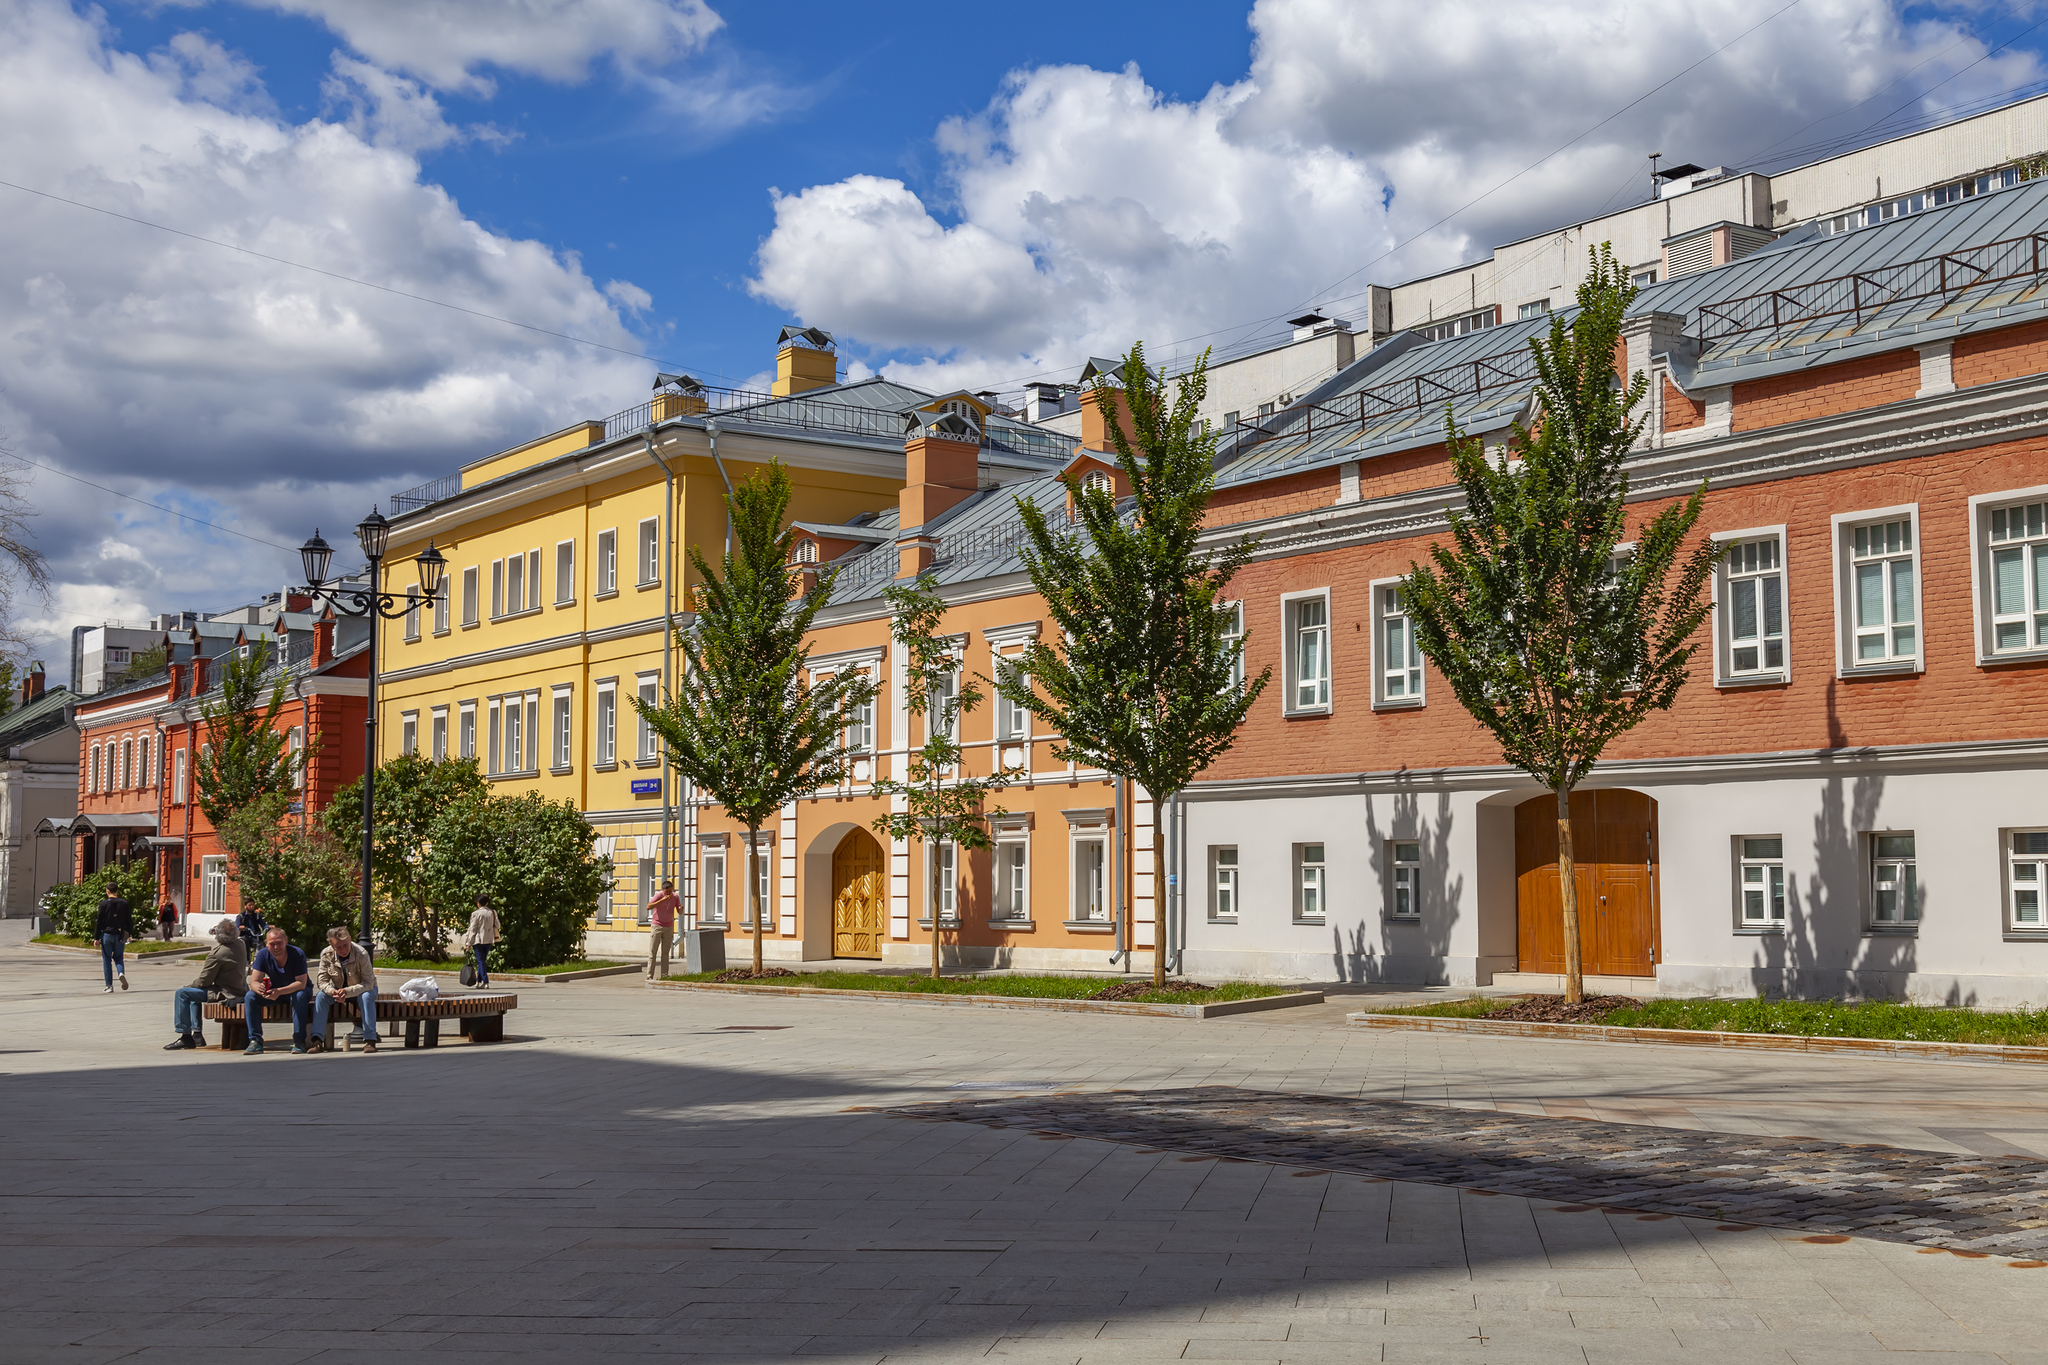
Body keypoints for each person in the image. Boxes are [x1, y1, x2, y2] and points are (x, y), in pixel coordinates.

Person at [165, 918, 248, 1049]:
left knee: (182, 994)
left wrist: (189, 986)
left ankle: (185, 1036)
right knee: (192, 995)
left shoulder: (217, 954)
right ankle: (197, 1034)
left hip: (224, 993)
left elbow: (204, 981)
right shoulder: (241, 944)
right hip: (240, 989)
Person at [243, 926, 312, 1055]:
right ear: (266, 944)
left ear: (286, 940)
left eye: (279, 943)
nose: (276, 947)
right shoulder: (263, 954)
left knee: (300, 996)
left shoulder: (297, 953)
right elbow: (254, 981)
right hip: (276, 992)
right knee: (250, 996)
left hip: (297, 990)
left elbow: (301, 983)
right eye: (272, 944)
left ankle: (299, 1041)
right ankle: (255, 1041)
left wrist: (279, 991)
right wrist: (258, 988)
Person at [310, 924, 378, 1053]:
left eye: (345, 945)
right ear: (331, 945)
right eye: (338, 947)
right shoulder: (326, 954)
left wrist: (347, 992)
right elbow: (322, 981)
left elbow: (368, 983)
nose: (342, 949)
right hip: (338, 990)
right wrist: (332, 992)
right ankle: (317, 1040)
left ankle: (370, 1040)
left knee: (366, 997)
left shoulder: (361, 953)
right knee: (321, 996)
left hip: (363, 989)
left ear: (350, 939)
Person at [96, 886, 134, 993]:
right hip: (120, 934)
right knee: (118, 957)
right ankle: (121, 973)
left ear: (107, 891)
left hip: (107, 934)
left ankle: (109, 986)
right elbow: (128, 920)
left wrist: (96, 937)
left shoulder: (103, 904)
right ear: (117, 891)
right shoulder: (124, 903)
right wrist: (129, 934)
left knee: (107, 959)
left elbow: (99, 921)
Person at [645, 879, 680, 980]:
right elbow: (648, 906)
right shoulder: (658, 895)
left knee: (665, 953)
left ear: (672, 889)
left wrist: (680, 909)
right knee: (653, 951)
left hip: (668, 926)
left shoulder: (675, 897)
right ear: (663, 890)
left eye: (670, 891)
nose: (668, 893)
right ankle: (649, 975)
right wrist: (662, 900)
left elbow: (679, 910)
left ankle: (664, 975)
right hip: (657, 926)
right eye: (666, 892)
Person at [464, 895, 500, 988]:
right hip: (489, 939)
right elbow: (498, 925)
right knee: (482, 961)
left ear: (478, 903)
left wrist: (468, 942)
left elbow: (473, 929)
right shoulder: (493, 912)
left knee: (481, 961)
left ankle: (486, 982)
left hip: (478, 940)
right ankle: (478, 981)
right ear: (487, 903)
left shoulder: (476, 914)